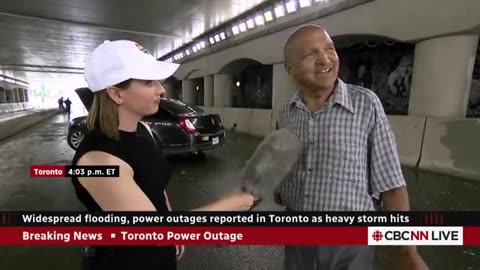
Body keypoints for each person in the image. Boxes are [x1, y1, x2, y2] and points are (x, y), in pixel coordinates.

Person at [71, 40, 257, 270]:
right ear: (116, 93)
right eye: (149, 82)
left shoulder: (143, 130)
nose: (162, 89)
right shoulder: (97, 161)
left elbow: (156, 187)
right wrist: (232, 203)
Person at [275, 25, 429, 270]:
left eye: (330, 49)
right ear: (290, 68)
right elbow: (273, 172)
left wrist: (406, 251)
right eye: (310, 54)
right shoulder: (286, 114)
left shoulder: (365, 104)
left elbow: (391, 184)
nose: (325, 59)